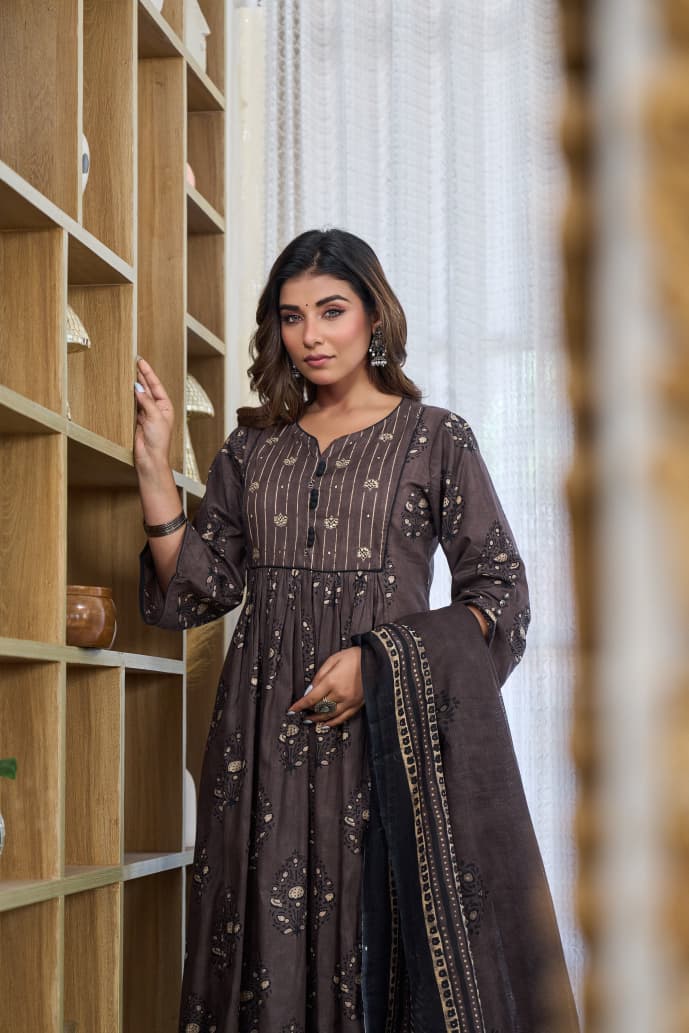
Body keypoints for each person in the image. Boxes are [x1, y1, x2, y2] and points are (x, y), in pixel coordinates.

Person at [134, 228, 579, 1033]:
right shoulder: (252, 448)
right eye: (291, 316)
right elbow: (200, 590)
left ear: (374, 316)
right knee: (257, 949)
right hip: (258, 744)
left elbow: (500, 590)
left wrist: (379, 666)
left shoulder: (434, 437)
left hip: (379, 744)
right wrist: (153, 468)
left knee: (371, 947)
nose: (310, 335)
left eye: (331, 310)